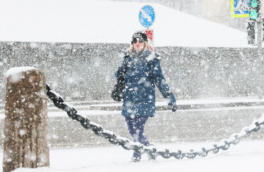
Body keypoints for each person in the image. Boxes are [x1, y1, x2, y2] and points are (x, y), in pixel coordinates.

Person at [115, 31, 177, 162]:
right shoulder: (127, 57)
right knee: (132, 130)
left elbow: (160, 79)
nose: (137, 43)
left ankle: (136, 156)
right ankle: (150, 149)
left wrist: (170, 98)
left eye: (140, 41)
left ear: (145, 43)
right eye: (135, 41)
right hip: (129, 100)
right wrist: (120, 72)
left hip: (144, 100)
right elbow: (120, 76)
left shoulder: (151, 59)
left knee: (138, 129)